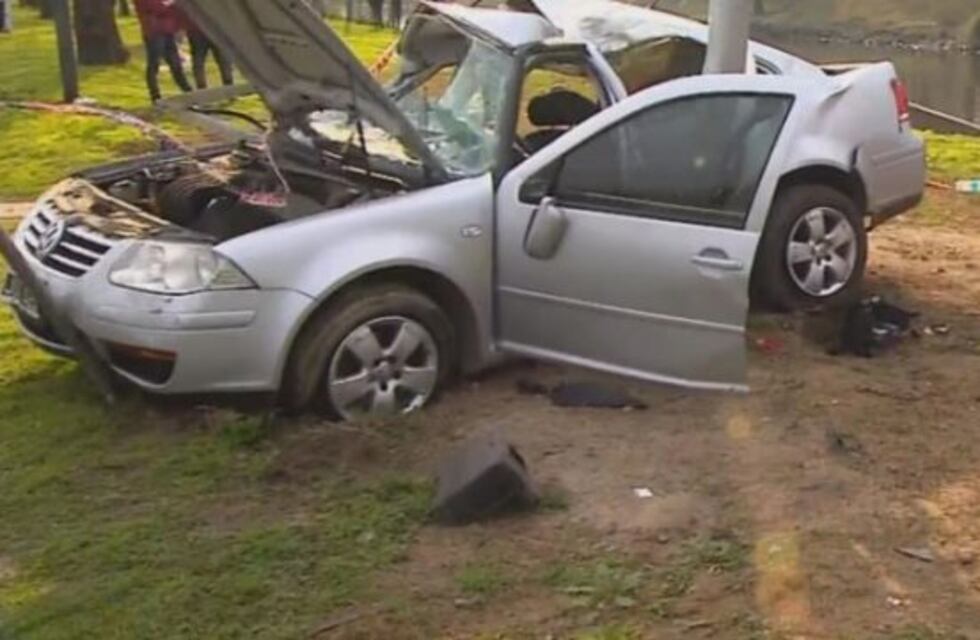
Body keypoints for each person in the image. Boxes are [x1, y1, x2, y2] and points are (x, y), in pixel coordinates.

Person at [134, 0, 192, 102]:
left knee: (175, 62)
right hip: (154, 32)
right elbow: (156, 8)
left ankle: (187, 90)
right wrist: (168, 4)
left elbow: (173, 11)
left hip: (167, 31)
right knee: (154, 63)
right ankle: (155, 95)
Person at [177, 9, 234, 90]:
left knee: (200, 61)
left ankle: (203, 87)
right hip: (211, 29)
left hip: (199, 30)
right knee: (222, 61)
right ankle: (228, 86)